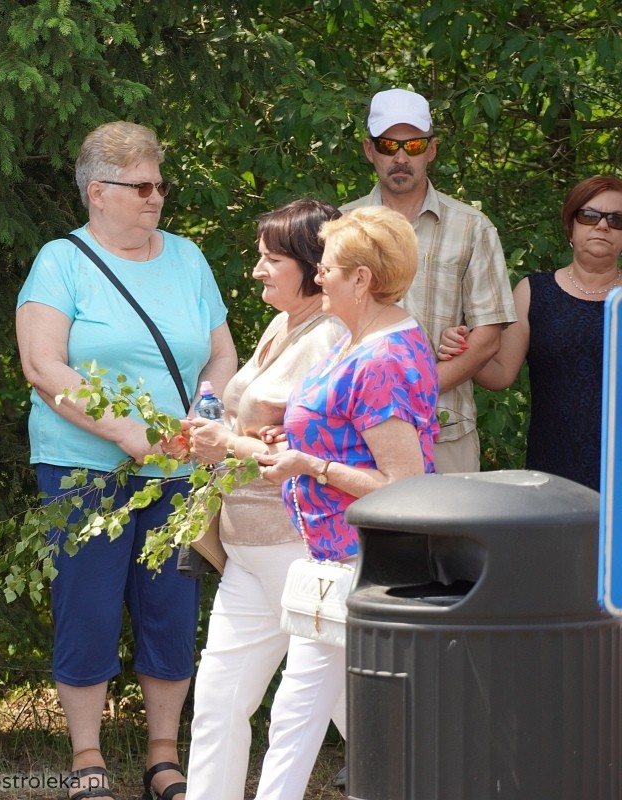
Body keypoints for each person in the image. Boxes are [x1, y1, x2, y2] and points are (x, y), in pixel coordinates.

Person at [15, 121, 239, 800]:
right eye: (141, 186)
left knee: (171, 608)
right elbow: (42, 364)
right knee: (86, 607)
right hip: (85, 473)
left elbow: (222, 354)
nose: (156, 198)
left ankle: (164, 756)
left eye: (160, 184)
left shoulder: (188, 258)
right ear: (97, 192)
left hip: (177, 474)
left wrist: (206, 414)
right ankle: (87, 757)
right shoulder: (61, 261)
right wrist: (125, 432)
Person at [250, 206, 439, 799]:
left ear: (361, 279)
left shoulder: (383, 358)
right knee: (347, 718)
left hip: (358, 563)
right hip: (333, 560)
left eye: (328, 268)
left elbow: (404, 483)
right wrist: (294, 442)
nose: (319, 277)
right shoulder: (357, 338)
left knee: (295, 717)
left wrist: (311, 465)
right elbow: (340, 427)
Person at [180, 199, 346, 800]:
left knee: (341, 711)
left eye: (271, 259)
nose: (257, 270)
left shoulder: (332, 334)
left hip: (298, 549)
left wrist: (230, 442)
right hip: (246, 551)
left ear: (312, 264)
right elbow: (249, 423)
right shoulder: (283, 324)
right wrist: (207, 432)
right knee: (218, 703)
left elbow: (314, 448)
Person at [341, 88, 515, 473]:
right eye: (388, 144)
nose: (401, 157)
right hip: (354, 432)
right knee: (366, 536)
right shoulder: (341, 226)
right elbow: (323, 328)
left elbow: (487, 339)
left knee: (452, 536)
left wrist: (411, 392)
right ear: (370, 151)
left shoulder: (473, 227)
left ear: (431, 150)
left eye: (414, 144)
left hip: (445, 432)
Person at [437, 176, 622, 489]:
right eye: (589, 216)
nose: (602, 226)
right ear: (571, 226)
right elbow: (499, 375)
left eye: (617, 219)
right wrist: (464, 347)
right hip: (554, 469)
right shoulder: (534, 292)